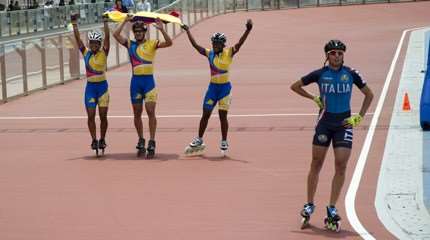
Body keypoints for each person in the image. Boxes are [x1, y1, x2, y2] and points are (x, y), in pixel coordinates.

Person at [290, 40, 374, 231]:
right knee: (316, 163)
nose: (337, 56)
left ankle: (332, 207)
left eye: (340, 53)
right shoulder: (319, 74)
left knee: (341, 164)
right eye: (333, 53)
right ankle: (309, 203)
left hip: (344, 124)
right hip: (324, 124)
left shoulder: (351, 74)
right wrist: (314, 98)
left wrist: (359, 117)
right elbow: (294, 86)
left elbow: (369, 94)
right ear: (327, 56)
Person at [182, 19, 253, 156]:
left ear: (222, 44)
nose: (214, 45)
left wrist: (248, 30)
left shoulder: (229, 53)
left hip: (225, 90)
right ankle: (199, 139)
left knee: (222, 116)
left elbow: (240, 43)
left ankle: (224, 141)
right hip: (212, 89)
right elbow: (196, 46)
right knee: (205, 114)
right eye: (213, 43)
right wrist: (188, 31)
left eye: (217, 43)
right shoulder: (210, 54)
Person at [113, 16, 172, 158]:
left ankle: (152, 140)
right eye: (136, 31)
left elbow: (169, 43)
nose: (138, 33)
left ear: (144, 32)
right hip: (135, 84)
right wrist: (125, 21)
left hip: (148, 83)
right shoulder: (130, 44)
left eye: (140, 31)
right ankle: (141, 138)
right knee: (137, 113)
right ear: (134, 33)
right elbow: (115, 35)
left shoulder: (152, 44)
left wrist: (162, 30)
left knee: (150, 111)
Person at [71, 13, 111, 156]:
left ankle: (103, 139)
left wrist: (105, 22)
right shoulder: (86, 52)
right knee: (91, 115)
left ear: (99, 44)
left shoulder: (103, 52)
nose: (93, 45)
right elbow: (78, 40)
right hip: (90, 88)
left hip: (102, 88)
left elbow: (107, 38)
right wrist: (74, 23)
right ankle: (94, 139)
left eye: (96, 43)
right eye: (92, 43)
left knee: (103, 116)